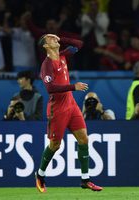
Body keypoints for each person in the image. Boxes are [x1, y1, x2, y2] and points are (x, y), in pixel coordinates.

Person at [35, 34, 103, 193]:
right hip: (57, 108)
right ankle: (40, 175)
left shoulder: (63, 55)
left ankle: (85, 179)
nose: (55, 40)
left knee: (84, 139)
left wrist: (61, 38)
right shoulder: (47, 65)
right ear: (46, 46)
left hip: (71, 105)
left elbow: (79, 44)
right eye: (50, 39)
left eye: (55, 38)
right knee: (55, 145)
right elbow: (50, 88)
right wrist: (73, 87)